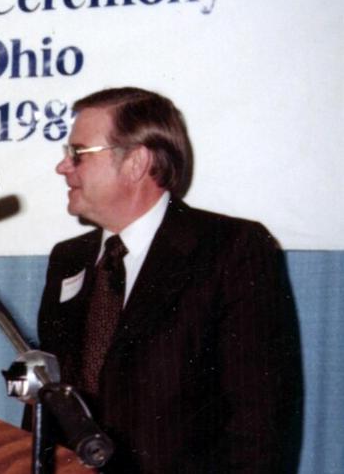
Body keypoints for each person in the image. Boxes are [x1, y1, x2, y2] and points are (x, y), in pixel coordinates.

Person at [36, 87, 301, 473]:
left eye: (77, 154)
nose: (64, 167)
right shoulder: (68, 260)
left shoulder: (230, 249)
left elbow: (259, 421)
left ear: (136, 162)